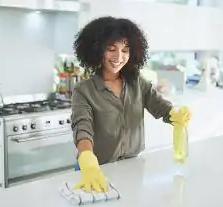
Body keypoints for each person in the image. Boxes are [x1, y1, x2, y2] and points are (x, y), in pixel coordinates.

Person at [70, 16, 190, 193]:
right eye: (111, 49)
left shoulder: (137, 84)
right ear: (96, 50)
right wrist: (87, 157)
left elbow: (162, 108)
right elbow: (82, 127)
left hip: (133, 167)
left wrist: (176, 115)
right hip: (96, 170)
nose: (119, 56)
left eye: (125, 50)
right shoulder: (84, 90)